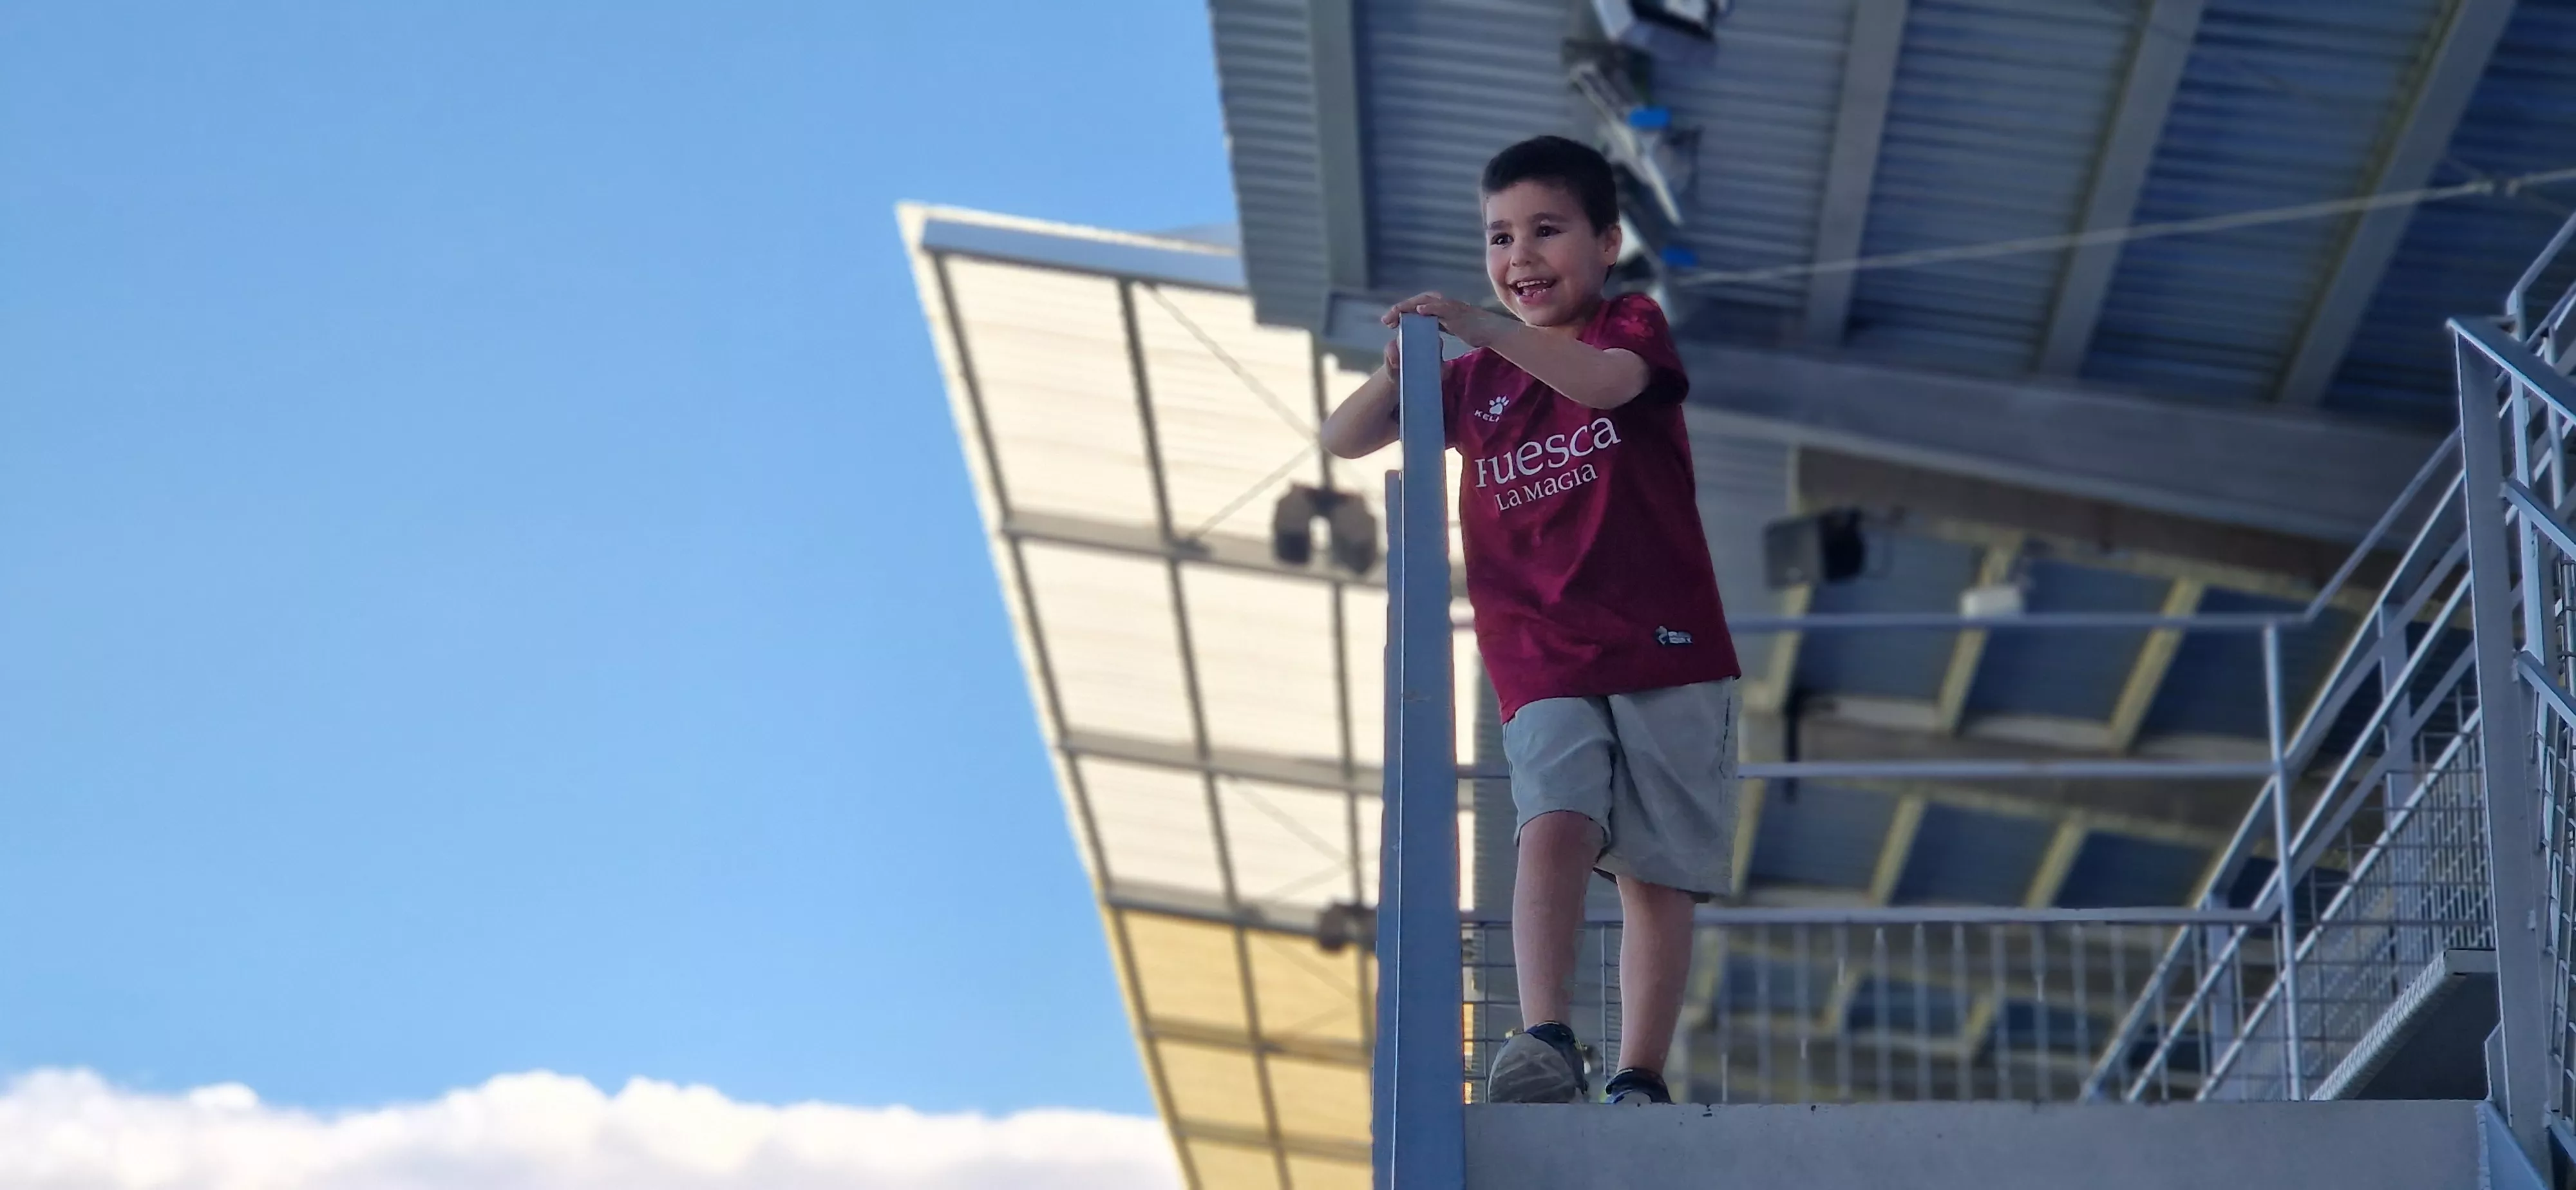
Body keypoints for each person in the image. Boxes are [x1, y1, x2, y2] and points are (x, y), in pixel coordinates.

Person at [1319, 135, 1742, 1107]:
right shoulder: (1472, 386)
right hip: (1540, 651)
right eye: (1499, 237)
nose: (1520, 257)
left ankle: (1639, 1071)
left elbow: (1603, 388)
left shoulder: (1626, 326)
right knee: (1550, 819)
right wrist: (1399, 372)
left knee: (1657, 872)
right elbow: (1343, 439)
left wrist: (1481, 326)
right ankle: (1544, 1033)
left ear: (1607, 241)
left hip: (1665, 643)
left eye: (1547, 231)